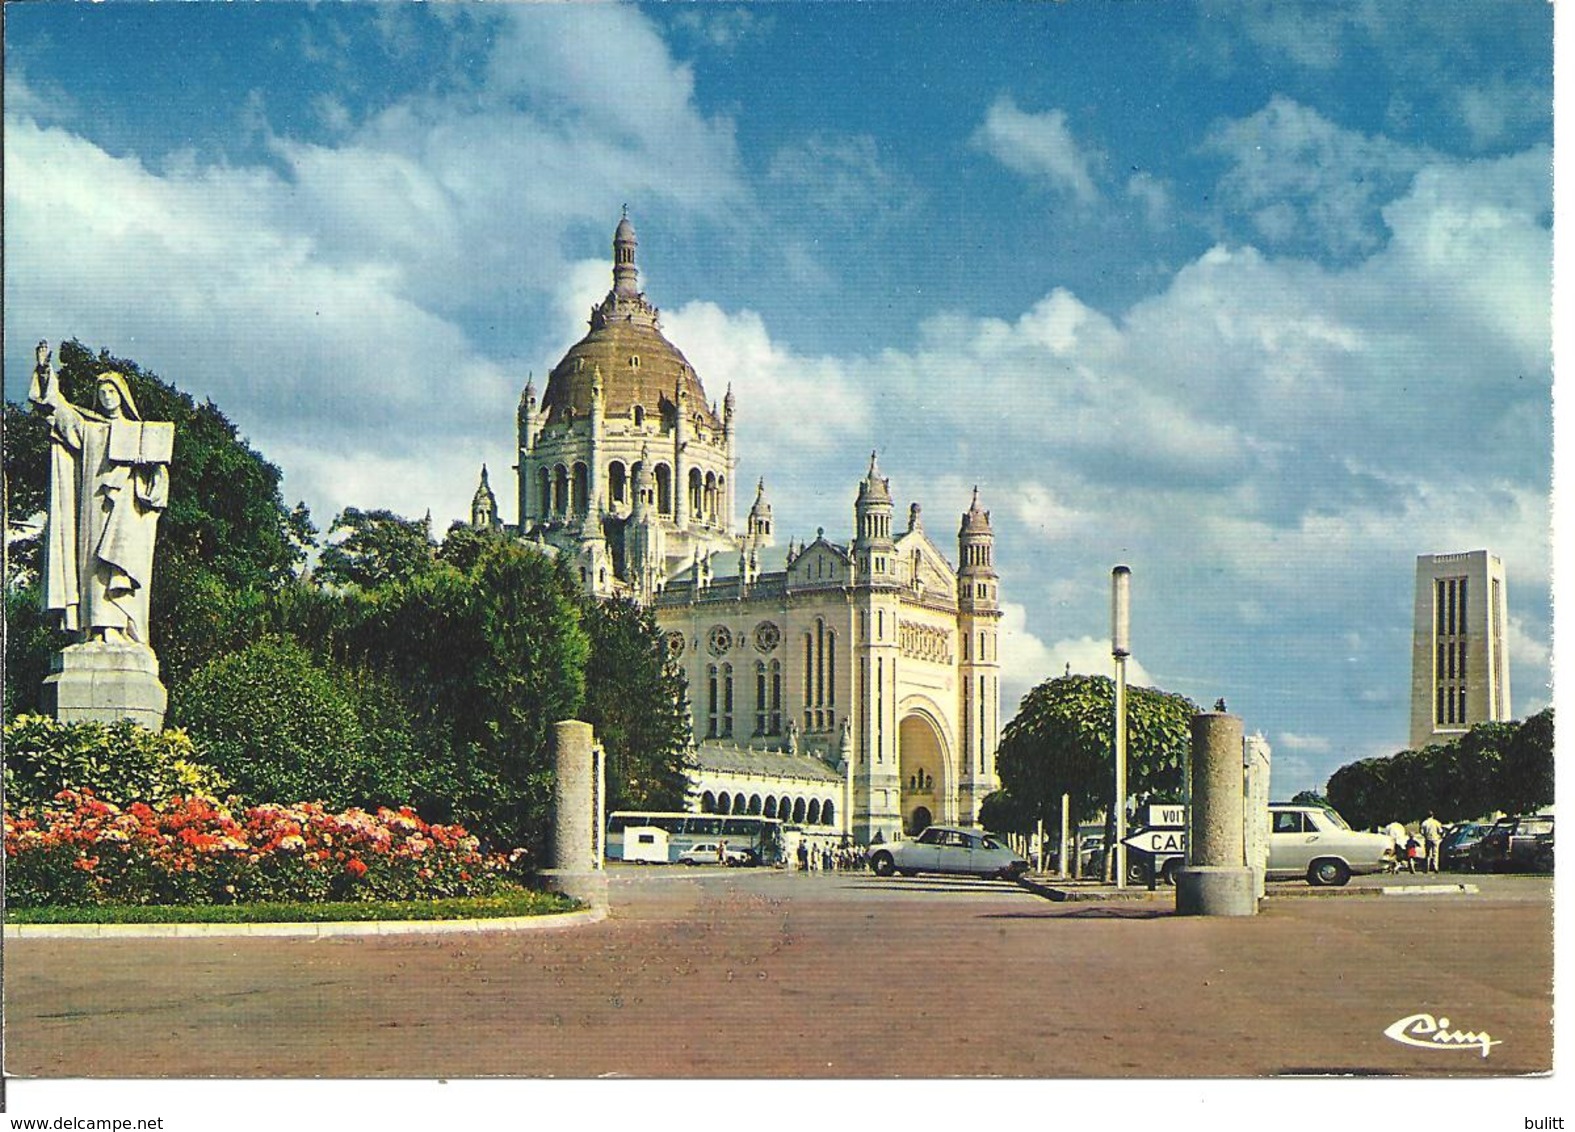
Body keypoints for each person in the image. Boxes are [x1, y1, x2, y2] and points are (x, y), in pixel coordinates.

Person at [29, 342, 171, 648]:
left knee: (119, 568)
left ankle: (119, 630)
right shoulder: (90, 429)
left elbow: (157, 482)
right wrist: (44, 371)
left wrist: (152, 473)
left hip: (127, 511)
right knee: (93, 567)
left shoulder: (138, 433)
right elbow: (57, 407)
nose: (107, 398)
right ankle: (96, 630)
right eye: (103, 393)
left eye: (112, 392)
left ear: (121, 396)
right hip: (94, 508)